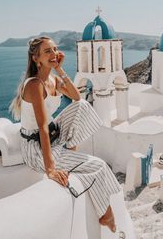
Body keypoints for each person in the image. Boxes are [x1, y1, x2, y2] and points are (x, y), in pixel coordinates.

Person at [9, 36, 121, 233]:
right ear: (36, 59)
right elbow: (42, 127)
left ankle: (69, 148)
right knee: (99, 165)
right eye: (47, 51)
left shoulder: (52, 79)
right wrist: (50, 168)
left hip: (53, 136)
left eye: (54, 49)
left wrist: (59, 69)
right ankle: (106, 214)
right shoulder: (35, 85)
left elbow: (77, 98)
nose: (53, 54)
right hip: (35, 148)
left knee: (83, 106)